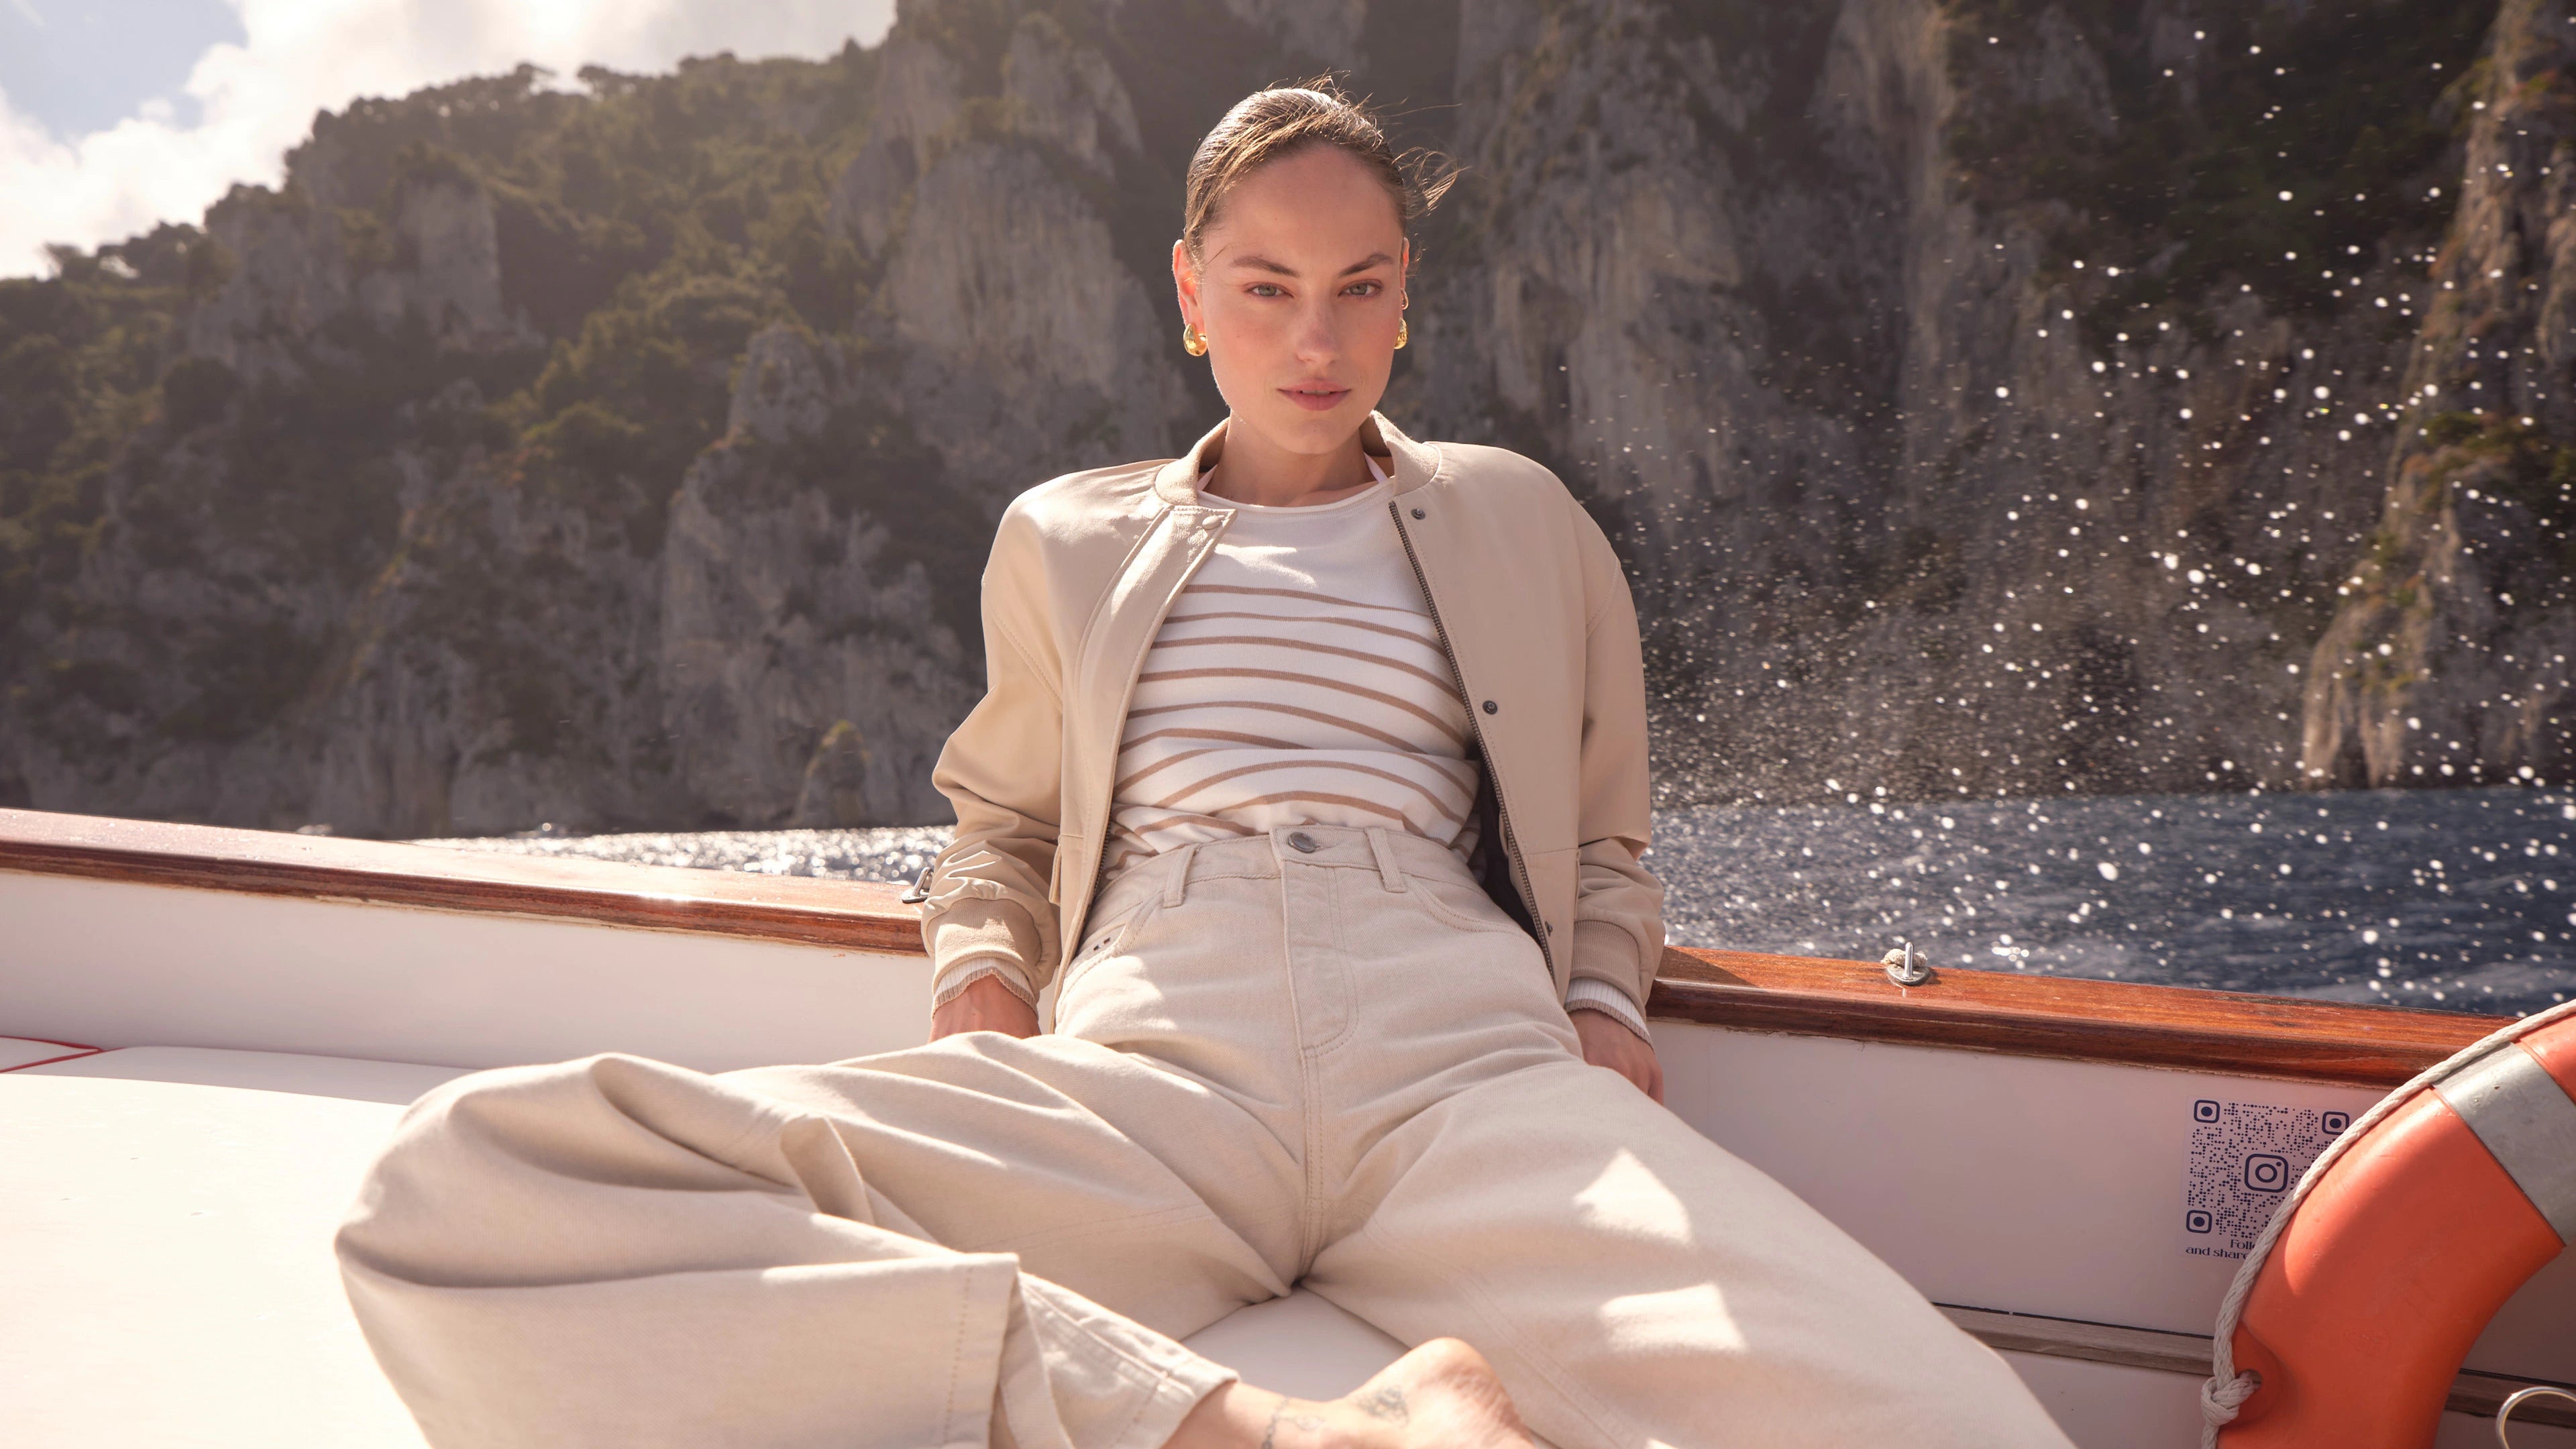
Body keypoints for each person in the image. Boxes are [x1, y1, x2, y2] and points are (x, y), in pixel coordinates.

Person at [335, 83, 2074, 1449]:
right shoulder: (1064, 536)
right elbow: (1002, 822)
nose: (1314, 339)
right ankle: (1277, 1437)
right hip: (1153, 1042)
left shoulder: (1518, 518)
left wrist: (1606, 1019)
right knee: (468, 1183)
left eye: (1361, 288)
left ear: (1407, 306)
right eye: (1266, 288)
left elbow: (1604, 838)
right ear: (1191, 297)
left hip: (1462, 1053)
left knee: (1960, 1425)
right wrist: (984, 982)